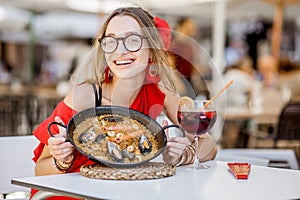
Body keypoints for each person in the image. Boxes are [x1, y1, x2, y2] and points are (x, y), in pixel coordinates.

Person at [31, 7, 217, 199]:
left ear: (152, 50)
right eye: (111, 41)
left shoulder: (160, 89)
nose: (120, 51)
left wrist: (183, 156)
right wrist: (62, 161)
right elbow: (40, 170)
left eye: (133, 40)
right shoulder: (85, 96)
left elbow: (208, 145)